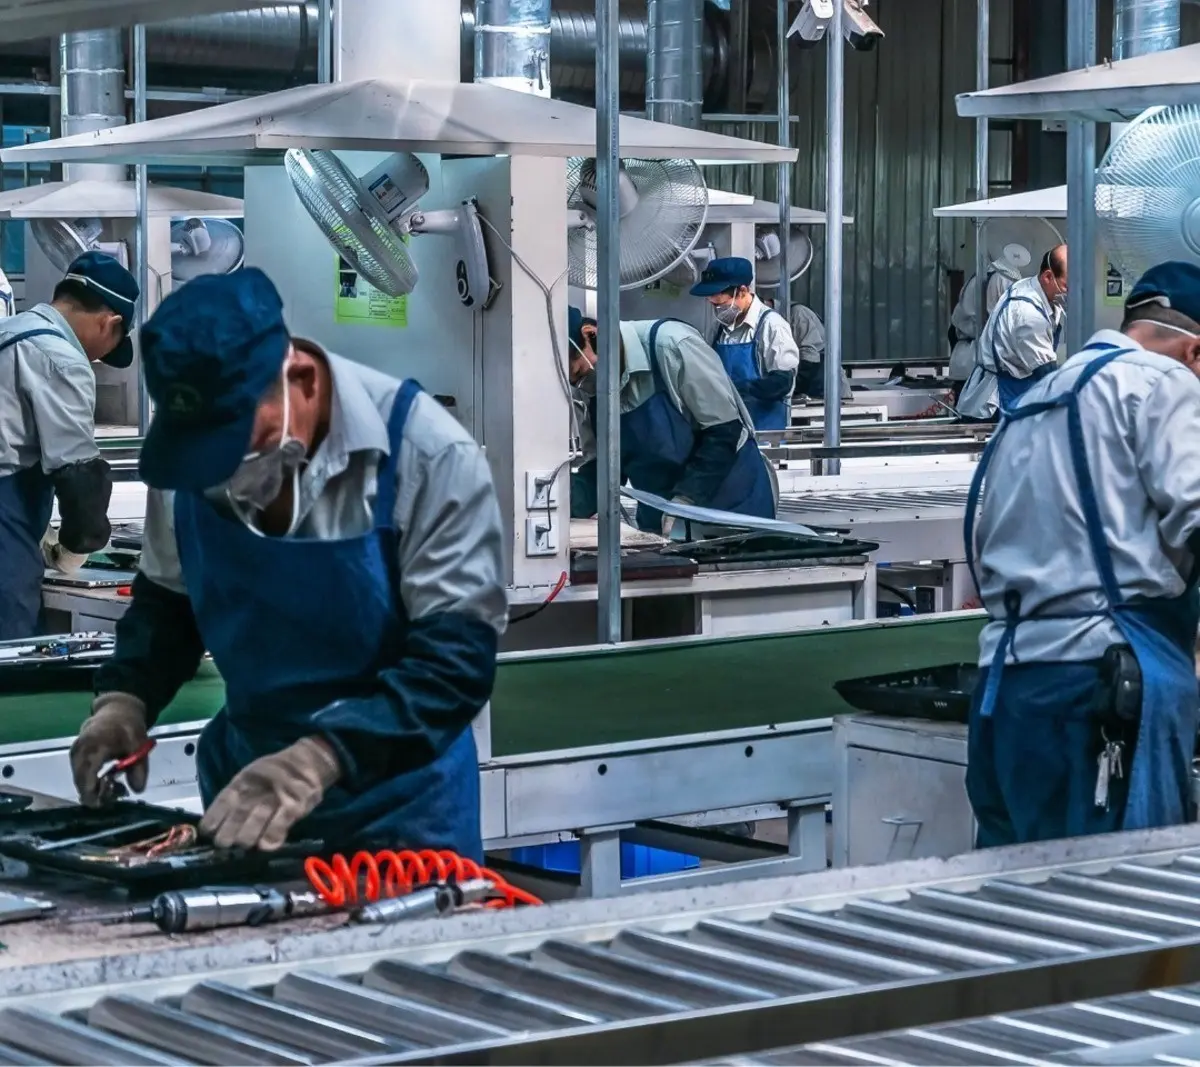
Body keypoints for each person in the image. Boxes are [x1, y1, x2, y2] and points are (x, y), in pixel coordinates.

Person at [70, 268, 507, 859]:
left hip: (404, 812)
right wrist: (124, 701)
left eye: (237, 445)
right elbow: (167, 608)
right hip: (245, 800)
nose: (219, 473)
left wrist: (317, 760)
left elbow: (454, 666)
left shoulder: (427, 455)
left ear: (298, 377)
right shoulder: (189, 462)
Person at [964, 261, 1200, 847]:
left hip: (1004, 690)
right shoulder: (1164, 386)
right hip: (1102, 688)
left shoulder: (1040, 394)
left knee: (1018, 909)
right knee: (1118, 913)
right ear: (1196, 352)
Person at [0, 251, 138, 640]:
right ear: (108, 323)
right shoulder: (61, 358)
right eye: (112, 345)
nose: (102, 357)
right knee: (11, 655)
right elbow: (78, 472)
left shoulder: (9, 331)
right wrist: (78, 545)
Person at [568, 308, 777, 536]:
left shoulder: (673, 346)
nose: (583, 385)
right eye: (575, 381)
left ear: (591, 335)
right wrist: (561, 501)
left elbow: (725, 432)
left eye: (580, 371)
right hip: (660, 517)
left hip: (731, 506)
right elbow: (602, 470)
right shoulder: (588, 389)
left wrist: (685, 500)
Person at [957, 244, 1068, 421]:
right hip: (998, 404)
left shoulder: (1032, 288)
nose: (1069, 293)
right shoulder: (1027, 316)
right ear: (1048, 277)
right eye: (1066, 286)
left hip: (1017, 391)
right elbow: (1047, 375)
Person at [689, 257, 799, 432]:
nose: (717, 310)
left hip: (764, 431)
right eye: (713, 305)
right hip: (728, 430)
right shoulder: (718, 329)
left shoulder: (772, 326)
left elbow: (783, 381)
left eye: (721, 305)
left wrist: (746, 389)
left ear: (742, 291)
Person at [946, 258, 1022, 397]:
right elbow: (1003, 325)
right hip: (983, 369)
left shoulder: (985, 273)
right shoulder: (1004, 277)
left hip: (965, 363)